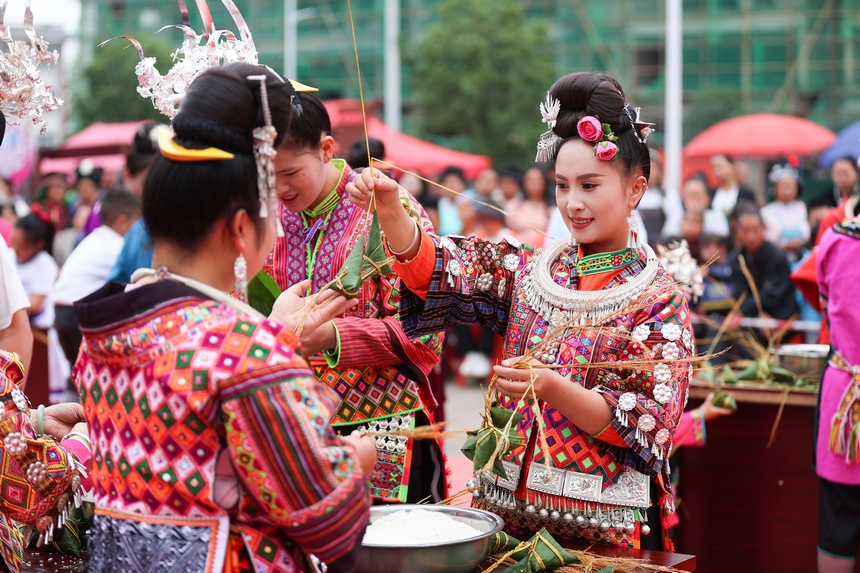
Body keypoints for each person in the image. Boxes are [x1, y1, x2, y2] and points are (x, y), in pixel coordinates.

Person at [348, 71, 693, 550]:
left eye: (590, 185)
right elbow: (447, 267)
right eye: (562, 186)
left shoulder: (656, 300)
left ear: (635, 189)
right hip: (505, 522)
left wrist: (552, 388)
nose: (573, 204)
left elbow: (650, 423)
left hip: (604, 538)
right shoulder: (531, 273)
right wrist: (390, 211)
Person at [73, 64, 374, 573]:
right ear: (240, 228)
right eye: (270, 213)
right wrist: (355, 463)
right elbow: (328, 523)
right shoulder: (249, 354)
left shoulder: (106, 328)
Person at [265, 91, 445, 505]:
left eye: (290, 172)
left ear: (327, 149)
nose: (278, 188)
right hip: (294, 426)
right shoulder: (267, 219)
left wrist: (333, 337)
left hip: (382, 424)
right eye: (265, 174)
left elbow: (427, 329)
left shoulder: (385, 205)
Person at [815, 213, 860, 573]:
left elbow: (824, 300)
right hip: (845, 396)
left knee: (839, 518)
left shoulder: (835, 238)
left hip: (844, 389)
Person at [52, 189, 141, 367]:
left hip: (60, 312)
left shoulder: (91, 239)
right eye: (136, 222)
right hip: (78, 313)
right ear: (122, 221)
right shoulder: (118, 246)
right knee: (93, 370)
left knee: (78, 370)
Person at [728, 209, 798, 320]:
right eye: (745, 231)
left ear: (764, 228)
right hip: (749, 316)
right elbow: (739, 292)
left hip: (779, 316)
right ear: (737, 231)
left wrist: (744, 311)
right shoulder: (735, 258)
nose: (751, 236)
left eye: (755, 230)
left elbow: (772, 295)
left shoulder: (776, 256)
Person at [11, 212, 57, 322]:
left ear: (39, 245)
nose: (15, 248)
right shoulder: (8, 255)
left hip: (38, 325)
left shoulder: (45, 264)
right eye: (14, 241)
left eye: (22, 245)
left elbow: (34, 304)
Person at [761, 163, 809, 263]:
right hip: (775, 260)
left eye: (790, 186)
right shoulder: (766, 212)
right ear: (775, 189)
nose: (786, 189)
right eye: (783, 186)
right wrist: (784, 246)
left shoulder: (804, 208)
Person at [637, 149, 683, 247]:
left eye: (652, 168)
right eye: (645, 168)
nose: (649, 172)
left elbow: (674, 222)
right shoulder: (632, 196)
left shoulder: (669, 195)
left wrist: (663, 243)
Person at [505, 166, 552, 248]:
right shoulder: (514, 205)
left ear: (544, 182)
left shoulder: (551, 208)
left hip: (545, 251)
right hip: (518, 250)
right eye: (529, 180)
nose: (533, 183)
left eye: (537, 180)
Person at [436, 166, 467, 236]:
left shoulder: (466, 203)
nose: (451, 186)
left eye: (455, 182)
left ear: (462, 185)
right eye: (447, 182)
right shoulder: (441, 202)